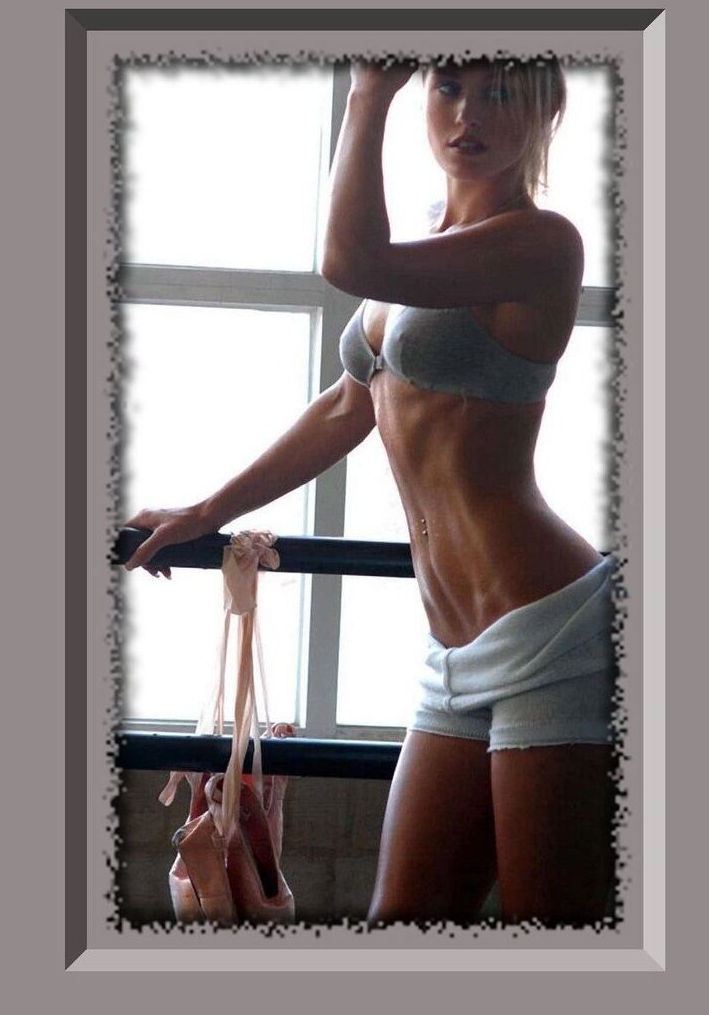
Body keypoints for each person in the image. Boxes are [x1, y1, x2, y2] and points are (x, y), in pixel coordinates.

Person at [123, 56, 616, 926]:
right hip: (450, 649)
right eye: (449, 87)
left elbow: (349, 258)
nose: (467, 114)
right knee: (403, 922)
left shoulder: (543, 244)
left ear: (548, 112)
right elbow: (348, 405)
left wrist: (364, 93)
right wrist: (207, 512)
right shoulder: (427, 240)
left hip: (550, 632)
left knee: (552, 924)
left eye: (500, 93)